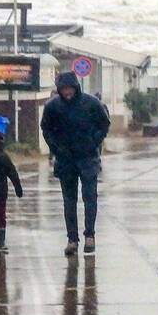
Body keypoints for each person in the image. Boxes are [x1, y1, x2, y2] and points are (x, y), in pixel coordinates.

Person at [41, 72, 110, 257]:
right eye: (64, 89)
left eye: (70, 88)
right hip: (65, 160)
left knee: (90, 198)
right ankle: (72, 239)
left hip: (88, 158)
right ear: (59, 90)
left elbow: (104, 124)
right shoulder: (53, 106)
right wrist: (56, 148)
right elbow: (46, 129)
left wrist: (93, 142)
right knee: (69, 201)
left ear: (76, 87)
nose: (67, 92)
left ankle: (90, 236)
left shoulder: (91, 103)